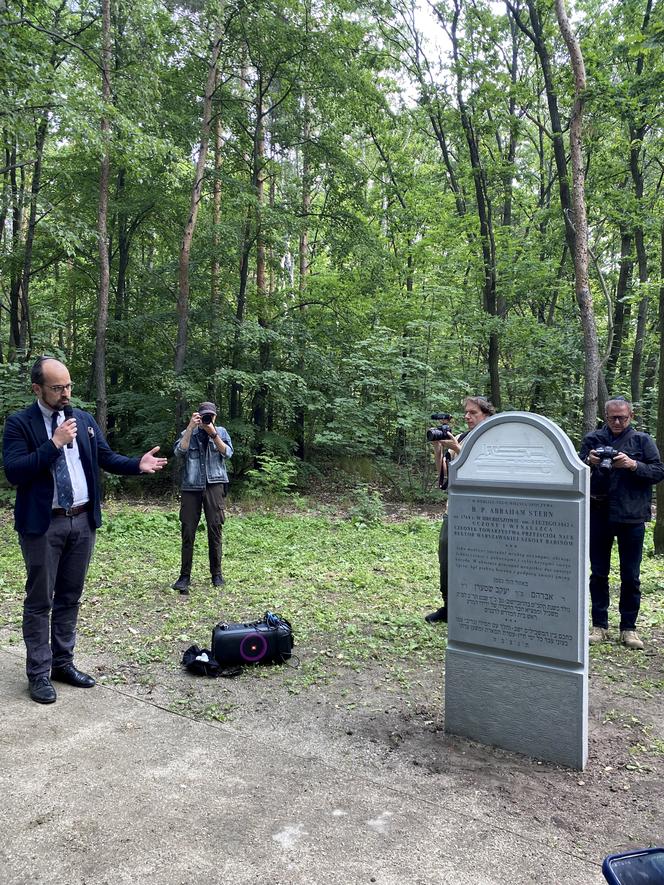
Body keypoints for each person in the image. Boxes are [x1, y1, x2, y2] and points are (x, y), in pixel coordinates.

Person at [2, 356, 167, 704]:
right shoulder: (20, 423)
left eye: (69, 386)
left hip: (82, 521)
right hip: (43, 525)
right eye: (57, 387)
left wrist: (137, 464)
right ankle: (38, 674)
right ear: (38, 389)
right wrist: (54, 442)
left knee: (69, 597)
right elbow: (15, 472)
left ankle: (63, 664)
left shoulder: (84, 420)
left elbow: (105, 457)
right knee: (38, 602)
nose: (66, 393)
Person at [579, 397, 664, 650]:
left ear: (631, 416)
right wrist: (588, 463)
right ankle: (599, 625)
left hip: (632, 516)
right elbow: (573, 471)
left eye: (622, 418)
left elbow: (658, 471)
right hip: (598, 513)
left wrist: (633, 464)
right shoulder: (593, 439)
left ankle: (629, 628)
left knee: (631, 576)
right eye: (612, 417)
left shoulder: (642, 441)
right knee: (598, 573)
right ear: (605, 416)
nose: (617, 422)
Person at [425, 395, 496, 624]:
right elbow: (445, 474)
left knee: (478, 560)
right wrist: (439, 450)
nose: (467, 417)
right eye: (466, 412)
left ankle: (479, 607)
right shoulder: (462, 437)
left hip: (482, 513)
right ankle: (449, 605)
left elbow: (482, 472)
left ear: (486, 414)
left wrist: (457, 448)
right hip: (455, 508)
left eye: (473, 413)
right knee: (446, 554)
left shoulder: (492, 438)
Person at [172, 402, 233, 595]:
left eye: (211, 416)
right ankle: (184, 576)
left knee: (215, 528)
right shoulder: (189, 432)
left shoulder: (221, 432)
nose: (208, 419)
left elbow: (228, 453)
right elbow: (178, 452)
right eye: (204, 416)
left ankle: (216, 574)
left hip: (215, 484)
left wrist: (213, 433)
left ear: (215, 417)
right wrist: (191, 428)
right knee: (188, 530)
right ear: (197, 416)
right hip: (191, 486)